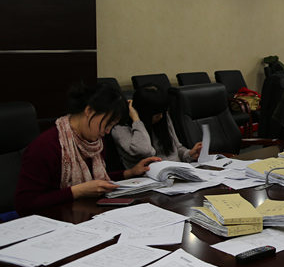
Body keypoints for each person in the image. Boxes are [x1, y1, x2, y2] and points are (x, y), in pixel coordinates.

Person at [15, 83, 160, 213]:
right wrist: (77, 191)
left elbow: (96, 180)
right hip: (53, 220)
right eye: (107, 124)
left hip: (84, 214)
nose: (107, 131)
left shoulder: (94, 142)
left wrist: (130, 173)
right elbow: (24, 204)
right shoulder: (46, 146)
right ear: (89, 111)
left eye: (112, 126)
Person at [111, 84, 202, 169]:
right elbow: (144, 150)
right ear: (143, 112)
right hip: (150, 176)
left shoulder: (162, 118)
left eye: (163, 112)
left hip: (178, 171)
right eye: (157, 114)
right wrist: (137, 120)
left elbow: (177, 149)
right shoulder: (121, 129)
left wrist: (189, 154)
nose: (161, 116)